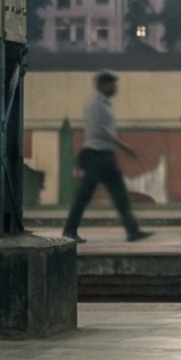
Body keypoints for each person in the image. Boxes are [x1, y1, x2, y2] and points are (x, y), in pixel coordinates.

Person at [61, 71, 151, 243]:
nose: (115, 88)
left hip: (106, 156)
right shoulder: (96, 105)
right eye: (112, 84)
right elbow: (102, 131)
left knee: (119, 195)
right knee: (84, 195)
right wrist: (125, 147)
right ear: (103, 86)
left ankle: (133, 230)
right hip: (97, 157)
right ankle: (69, 231)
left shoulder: (105, 104)